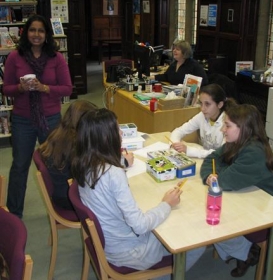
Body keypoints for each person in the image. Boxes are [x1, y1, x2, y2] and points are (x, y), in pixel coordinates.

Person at [72, 108, 205, 272]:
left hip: (110, 243)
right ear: (106, 138)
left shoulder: (83, 162)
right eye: (117, 129)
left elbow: (106, 179)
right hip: (131, 251)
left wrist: (122, 162)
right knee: (197, 240)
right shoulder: (113, 174)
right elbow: (140, 226)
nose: (121, 133)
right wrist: (166, 204)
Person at [3, 15, 72, 218]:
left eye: (41, 31)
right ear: (26, 33)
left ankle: (64, 204)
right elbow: (6, 89)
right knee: (19, 166)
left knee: (57, 162)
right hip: (23, 120)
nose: (36, 35)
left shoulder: (56, 58)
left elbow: (67, 87)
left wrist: (44, 88)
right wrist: (20, 88)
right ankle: (14, 215)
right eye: (32, 30)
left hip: (50, 118)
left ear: (46, 34)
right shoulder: (15, 57)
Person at [200, 104, 273, 277]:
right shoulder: (236, 142)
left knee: (216, 215)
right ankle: (241, 251)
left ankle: (247, 252)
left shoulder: (254, 152)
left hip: (270, 205)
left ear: (244, 128)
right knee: (211, 208)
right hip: (250, 193)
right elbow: (211, 159)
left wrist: (217, 175)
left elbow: (224, 181)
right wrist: (210, 176)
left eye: (227, 125)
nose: (222, 129)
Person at [39, 100, 98, 210]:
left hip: (62, 193)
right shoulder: (75, 143)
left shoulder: (60, 134)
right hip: (71, 198)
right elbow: (93, 171)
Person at [170, 83, 237, 158]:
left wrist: (188, 150)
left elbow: (220, 153)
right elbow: (179, 131)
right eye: (201, 103)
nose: (202, 108)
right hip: (205, 159)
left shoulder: (228, 123)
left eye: (207, 104)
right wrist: (176, 144)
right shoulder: (202, 116)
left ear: (220, 104)